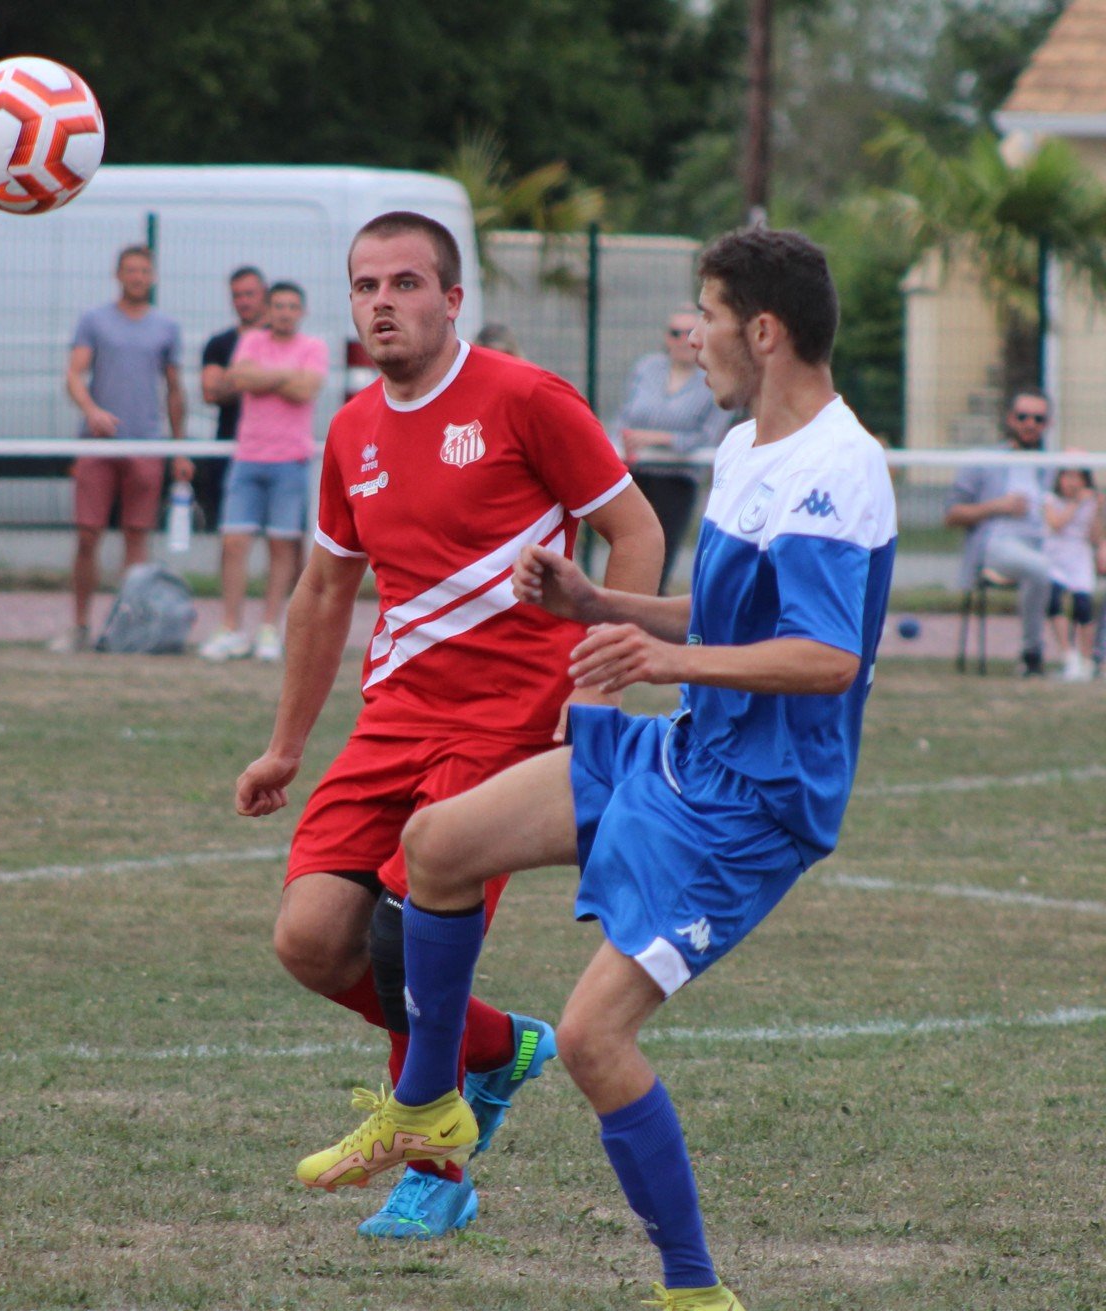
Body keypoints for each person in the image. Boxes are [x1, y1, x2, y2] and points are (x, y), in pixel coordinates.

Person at [294, 228, 897, 1311]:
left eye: (708, 315)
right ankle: (427, 1106)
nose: (693, 336)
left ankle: (693, 1289)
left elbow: (825, 657)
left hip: (755, 804)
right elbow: (725, 613)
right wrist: (599, 603)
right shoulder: (749, 448)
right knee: (436, 846)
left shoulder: (836, 469)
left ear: (762, 332)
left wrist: (664, 660)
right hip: (687, 751)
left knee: (590, 1041)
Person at [235, 211, 663, 1240]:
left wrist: (594, 689)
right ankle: (496, 1047)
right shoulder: (351, 429)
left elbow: (635, 531)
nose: (382, 303)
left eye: (405, 283)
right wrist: (285, 744)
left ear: (451, 298)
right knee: (309, 940)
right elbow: (324, 590)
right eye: (365, 286)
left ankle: (436, 1169)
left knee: (400, 936)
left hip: (507, 723)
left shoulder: (525, 398)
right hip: (396, 716)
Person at [50, 245, 193, 654]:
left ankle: (129, 629)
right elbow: (74, 375)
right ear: (118, 275)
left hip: (145, 443)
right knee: (87, 535)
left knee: (136, 537)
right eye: (130, 270)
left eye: (144, 271)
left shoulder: (166, 327)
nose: (137, 277)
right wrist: (92, 411)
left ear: (153, 277)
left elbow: (174, 389)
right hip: (98, 445)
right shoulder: (94, 321)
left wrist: (179, 449)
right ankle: (80, 625)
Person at [199, 281, 328, 662]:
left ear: (302, 312)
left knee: (282, 546)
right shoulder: (252, 341)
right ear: (268, 311)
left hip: (290, 461)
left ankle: (270, 627)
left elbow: (307, 389)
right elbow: (238, 379)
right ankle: (230, 627)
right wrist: (286, 376)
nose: (285, 313)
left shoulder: (314, 347)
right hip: (248, 458)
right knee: (233, 543)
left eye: (292, 306)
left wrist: (265, 378)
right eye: (279, 306)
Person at [614, 307, 731, 594]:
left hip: (677, 481)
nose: (682, 340)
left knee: (657, 565)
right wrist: (621, 442)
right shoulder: (647, 368)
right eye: (675, 333)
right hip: (634, 476)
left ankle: (648, 617)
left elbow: (709, 436)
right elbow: (624, 417)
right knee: (627, 558)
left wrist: (661, 439)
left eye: (689, 333)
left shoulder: (714, 376)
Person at [944, 389, 1052, 676]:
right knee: (1041, 569)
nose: (1030, 424)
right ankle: (1032, 653)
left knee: (1057, 568)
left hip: (1045, 543)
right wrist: (998, 506)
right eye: (1023, 417)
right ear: (1010, 419)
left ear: (1048, 424)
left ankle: (1087, 658)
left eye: (1038, 419)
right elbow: (952, 515)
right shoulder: (985, 461)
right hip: (998, 545)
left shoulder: (1051, 466)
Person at [196, 266, 267, 531]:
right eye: (237, 295)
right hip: (229, 450)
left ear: (264, 294)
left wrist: (235, 378)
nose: (243, 301)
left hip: (274, 453)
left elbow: (302, 387)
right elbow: (211, 392)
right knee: (228, 531)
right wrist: (268, 379)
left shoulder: (283, 340)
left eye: (249, 294)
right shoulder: (219, 344)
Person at [1042, 463, 1101, 682]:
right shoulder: (1051, 499)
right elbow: (1056, 524)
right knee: (1054, 600)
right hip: (1056, 556)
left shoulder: (1090, 503)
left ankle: (1087, 660)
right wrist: (1076, 503)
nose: (1072, 483)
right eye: (1068, 477)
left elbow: (1094, 537)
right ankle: (1068, 655)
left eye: (1078, 477)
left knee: (1083, 607)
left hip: (1079, 557)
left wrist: (1098, 510)